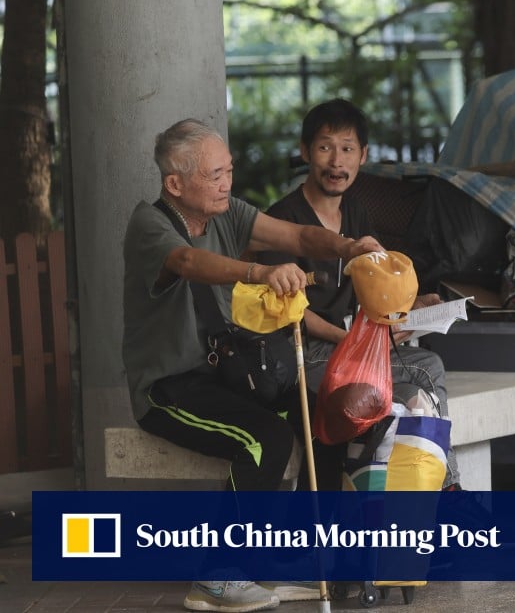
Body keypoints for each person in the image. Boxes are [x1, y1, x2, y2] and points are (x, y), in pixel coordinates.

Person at [122, 118, 383, 612]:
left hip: (226, 370)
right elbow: (190, 264)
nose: (227, 183)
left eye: (229, 170)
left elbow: (300, 237)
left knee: (320, 418)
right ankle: (218, 573)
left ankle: (306, 552)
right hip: (170, 386)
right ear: (175, 184)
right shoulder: (150, 224)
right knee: (264, 437)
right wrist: (260, 271)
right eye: (214, 175)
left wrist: (349, 247)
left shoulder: (226, 212)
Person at [258, 98, 461, 491]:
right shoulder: (282, 219)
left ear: (362, 156)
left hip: (348, 346)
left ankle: (404, 505)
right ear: (304, 151)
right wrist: (350, 341)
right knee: (425, 370)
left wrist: (412, 310)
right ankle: (450, 492)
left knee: (416, 385)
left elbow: (375, 295)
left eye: (348, 149)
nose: (337, 161)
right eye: (325, 147)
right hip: (305, 352)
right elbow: (290, 312)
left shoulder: (357, 213)